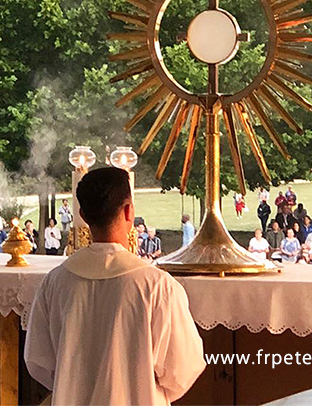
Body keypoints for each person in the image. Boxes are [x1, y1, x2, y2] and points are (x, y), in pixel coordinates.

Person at [25, 166, 205, 405]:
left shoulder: (55, 282)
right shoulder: (157, 286)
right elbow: (182, 369)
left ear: (83, 215)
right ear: (129, 211)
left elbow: (39, 362)